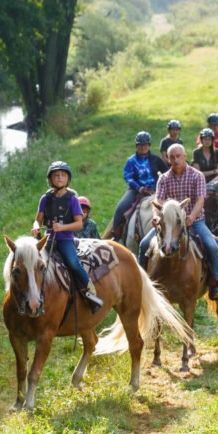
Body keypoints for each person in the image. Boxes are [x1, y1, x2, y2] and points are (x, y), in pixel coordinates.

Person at [138, 144, 218, 300]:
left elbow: (200, 200)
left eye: (178, 156)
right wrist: (157, 216)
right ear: (168, 159)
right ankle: (140, 285)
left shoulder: (197, 176)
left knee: (211, 246)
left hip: (194, 221)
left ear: (185, 157)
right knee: (144, 244)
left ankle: (214, 283)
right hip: (168, 223)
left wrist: (191, 216)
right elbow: (158, 201)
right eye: (172, 157)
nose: (175, 159)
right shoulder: (163, 179)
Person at [33, 161, 104, 313]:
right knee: (34, 264)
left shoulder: (72, 199)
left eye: (63, 175)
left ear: (68, 179)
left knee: (73, 263)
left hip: (65, 239)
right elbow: (37, 219)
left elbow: (78, 224)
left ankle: (92, 295)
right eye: (56, 175)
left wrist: (62, 227)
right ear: (50, 179)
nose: (59, 178)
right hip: (48, 238)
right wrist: (36, 227)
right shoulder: (45, 198)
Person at [110, 131, 165, 241]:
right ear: (136, 146)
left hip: (155, 191)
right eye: (140, 145)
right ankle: (116, 234)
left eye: (145, 145)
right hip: (136, 191)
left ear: (149, 145)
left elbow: (166, 172)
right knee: (120, 208)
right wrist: (138, 187)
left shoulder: (156, 159)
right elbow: (128, 176)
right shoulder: (131, 160)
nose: (143, 147)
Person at [197, 112, 218, 183]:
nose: (215, 127)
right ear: (208, 124)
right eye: (213, 124)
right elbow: (199, 147)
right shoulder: (203, 133)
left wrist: (215, 160)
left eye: (217, 124)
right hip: (204, 159)